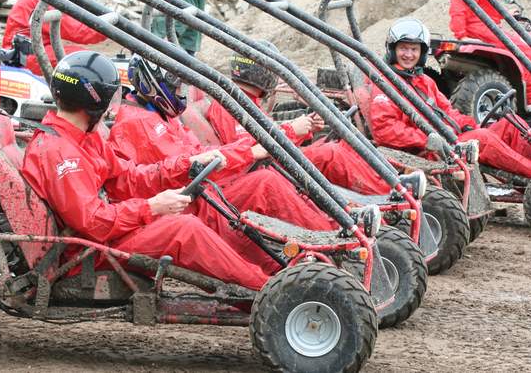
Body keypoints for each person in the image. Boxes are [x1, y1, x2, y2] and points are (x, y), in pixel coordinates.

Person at [22, 50, 268, 290]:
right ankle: (264, 288)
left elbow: (130, 177)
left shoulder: (83, 137)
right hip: (87, 255)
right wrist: (151, 207)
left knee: (189, 219)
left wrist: (190, 163)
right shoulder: (61, 153)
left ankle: (263, 278)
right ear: (95, 101)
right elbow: (94, 222)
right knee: (184, 229)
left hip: (101, 239)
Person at [108, 54, 337, 231]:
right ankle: (329, 233)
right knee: (269, 179)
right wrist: (286, 134)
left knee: (270, 175)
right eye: (178, 87)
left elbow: (201, 154)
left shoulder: (160, 115)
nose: (181, 93)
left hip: (203, 190)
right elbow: (191, 166)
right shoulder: (139, 122)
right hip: (192, 201)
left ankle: (331, 223)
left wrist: (289, 133)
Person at [202, 42, 394, 195]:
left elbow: (261, 137)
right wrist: (293, 130)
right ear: (264, 72)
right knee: (331, 153)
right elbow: (246, 149)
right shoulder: (229, 106)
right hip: (263, 169)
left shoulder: (242, 101)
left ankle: (386, 184)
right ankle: (388, 194)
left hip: (273, 161)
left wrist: (305, 129)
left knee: (342, 146)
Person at [372, 18, 531, 178]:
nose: (408, 55)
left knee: (509, 124)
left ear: (422, 53)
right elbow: (385, 131)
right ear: (393, 49)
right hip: (427, 150)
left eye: (414, 49)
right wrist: (430, 138)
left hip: (447, 137)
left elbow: (447, 111)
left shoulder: (424, 81)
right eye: (403, 48)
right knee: (483, 139)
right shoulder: (385, 84)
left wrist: (467, 123)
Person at [2, 0, 106, 76]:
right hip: (27, 56)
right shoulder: (42, 1)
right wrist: (112, 29)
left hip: (31, 50)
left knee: (81, 56)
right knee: (84, 61)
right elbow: (79, 32)